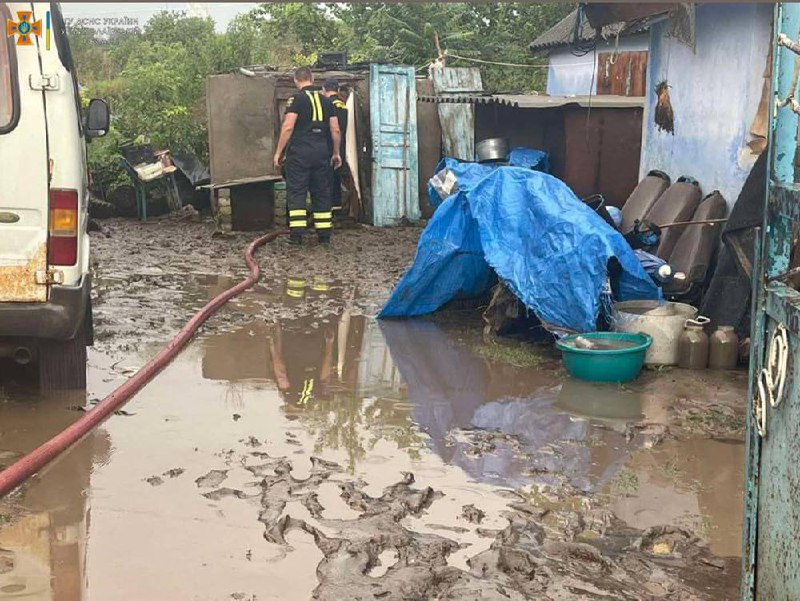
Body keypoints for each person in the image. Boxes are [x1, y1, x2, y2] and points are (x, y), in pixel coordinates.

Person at [273, 67, 342, 245]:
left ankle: (296, 237)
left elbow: (288, 127)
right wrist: (335, 153)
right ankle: (324, 236)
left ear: (296, 80)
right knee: (321, 193)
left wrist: (278, 152)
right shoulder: (327, 102)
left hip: (299, 154)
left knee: (297, 192)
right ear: (312, 78)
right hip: (322, 153)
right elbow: (335, 129)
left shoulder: (296, 99)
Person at [321, 79, 348, 218]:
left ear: (324, 90)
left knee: (326, 179)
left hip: (328, 146)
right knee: (336, 178)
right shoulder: (343, 105)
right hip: (341, 147)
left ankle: (327, 210)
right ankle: (337, 211)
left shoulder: (327, 104)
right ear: (337, 90)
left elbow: (333, 129)